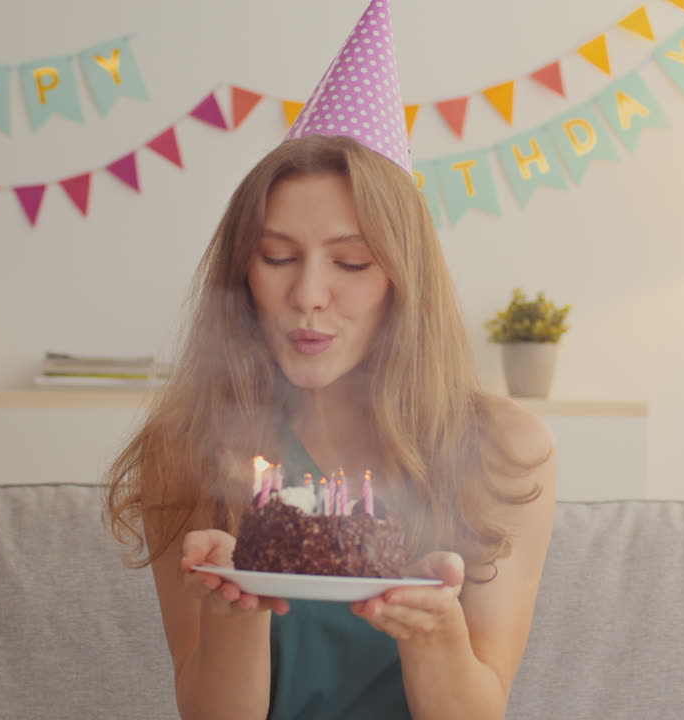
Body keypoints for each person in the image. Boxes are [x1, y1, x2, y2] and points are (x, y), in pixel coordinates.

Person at [103, 3, 555, 719]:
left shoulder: (503, 448)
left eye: (350, 262)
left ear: (401, 283)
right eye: (277, 257)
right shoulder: (189, 448)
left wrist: (435, 634)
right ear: (242, 274)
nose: (308, 296)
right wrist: (234, 612)